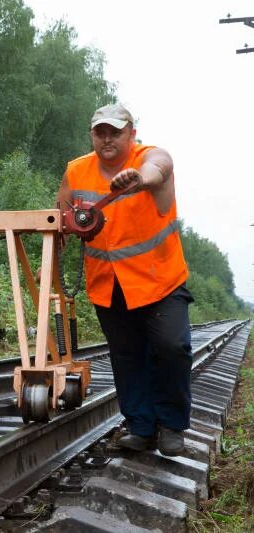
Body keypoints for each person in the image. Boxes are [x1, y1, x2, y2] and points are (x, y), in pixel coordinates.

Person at [57, 104, 193, 455]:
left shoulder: (150, 157)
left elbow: (159, 168)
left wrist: (138, 178)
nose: (107, 138)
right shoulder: (77, 171)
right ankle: (141, 427)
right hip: (109, 284)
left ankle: (172, 426)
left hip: (160, 280)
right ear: (91, 135)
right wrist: (51, 260)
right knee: (127, 356)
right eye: (100, 131)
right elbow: (59, 221)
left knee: (171, 347)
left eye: (115, 131)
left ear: (131, 133)